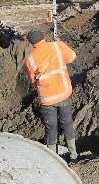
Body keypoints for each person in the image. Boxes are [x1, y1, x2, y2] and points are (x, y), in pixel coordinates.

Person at [24, 29, 79, 160]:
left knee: (51, 127)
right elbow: (72, 57)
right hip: (63, 93)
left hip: (47, 99)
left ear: (31, 43)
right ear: (43, 37)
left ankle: (53, 158)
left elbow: (33, 81)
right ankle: (74, 154)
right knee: (67, 124)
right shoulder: (56, 46)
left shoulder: (30, 59)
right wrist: (61, 44)